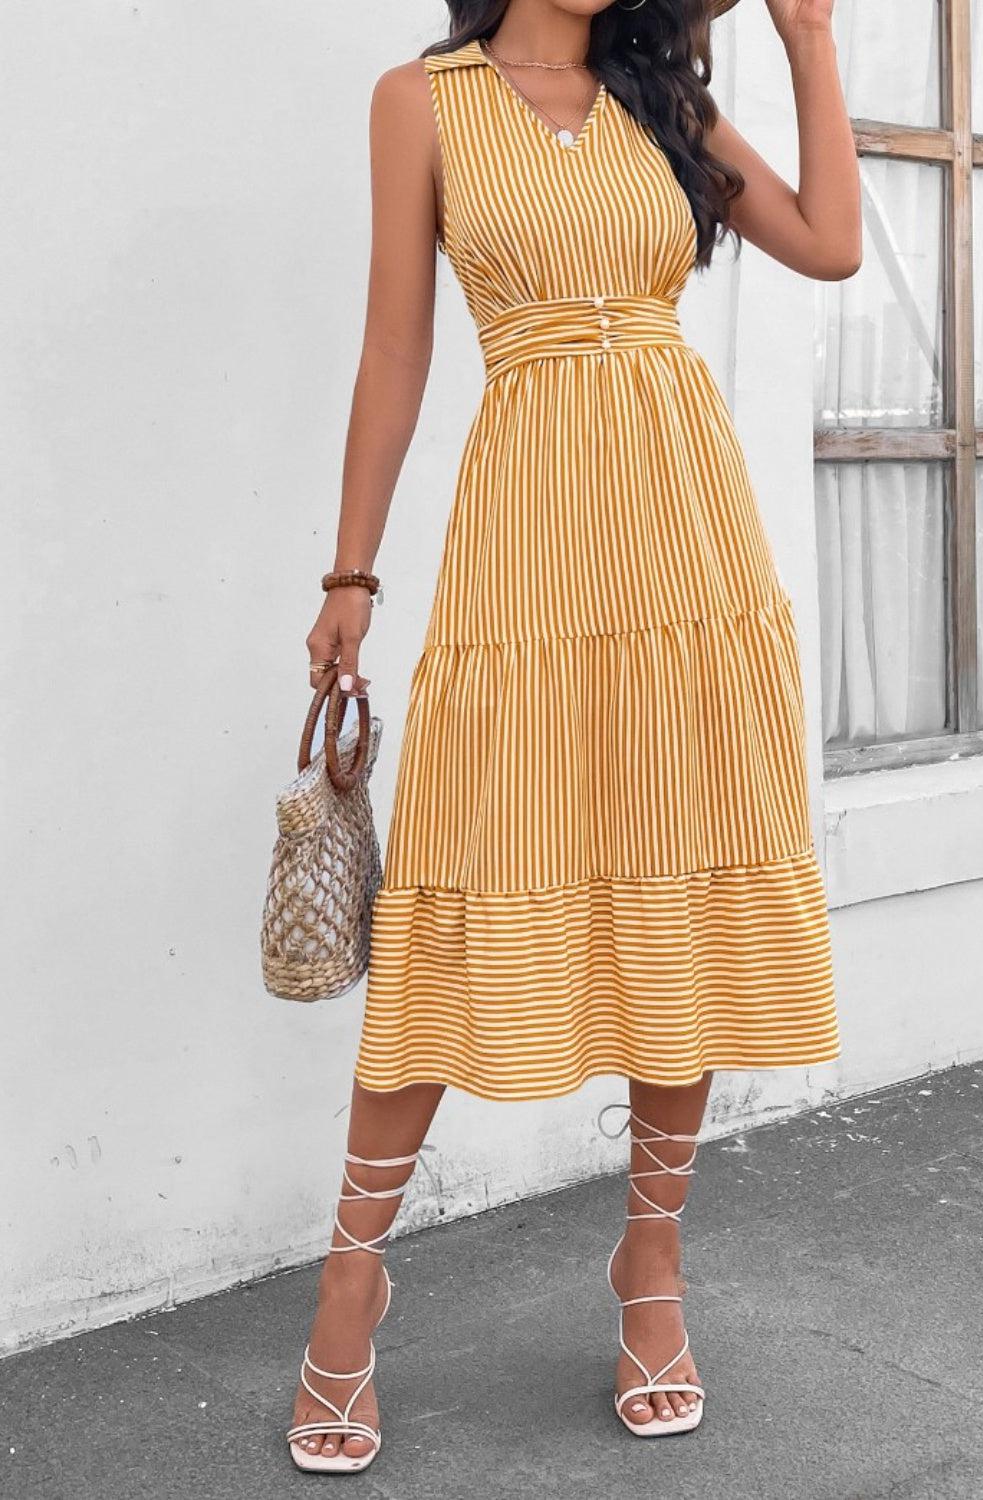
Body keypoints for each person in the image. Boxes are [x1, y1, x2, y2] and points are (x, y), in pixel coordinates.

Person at [287, 0, 858, 1472]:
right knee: (462, 879)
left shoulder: (661, 95)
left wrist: (808, 38)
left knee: (682, 872)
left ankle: (649, 1265)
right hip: (526, 533)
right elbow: (394, 352)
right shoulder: (422, 102)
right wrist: (350, 574)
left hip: (686, 538)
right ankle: (352, 1277)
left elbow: (829, 243)